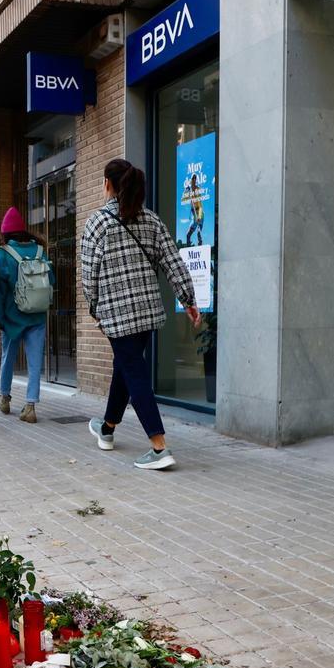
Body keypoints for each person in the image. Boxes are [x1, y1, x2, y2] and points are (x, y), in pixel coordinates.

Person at [81, 159, 201, 471]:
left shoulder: (98, 223)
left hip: (117, 315)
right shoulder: (151, 221)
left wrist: (94, 308)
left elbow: (88, 275)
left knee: (135, 373)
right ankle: (107, 429)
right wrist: (188, 298)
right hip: (146, 312)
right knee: (124, 366)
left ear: (108, 183)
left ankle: (159, 446)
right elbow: (173, 261)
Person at [0, 207, 53, 424]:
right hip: (37, 316)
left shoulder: (3, 254)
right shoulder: (39, 251)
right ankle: (30, 406)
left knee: (8, 357)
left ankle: (5, 397)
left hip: (12, 319)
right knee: (35, 362)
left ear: (5, 233)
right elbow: (51, 281)